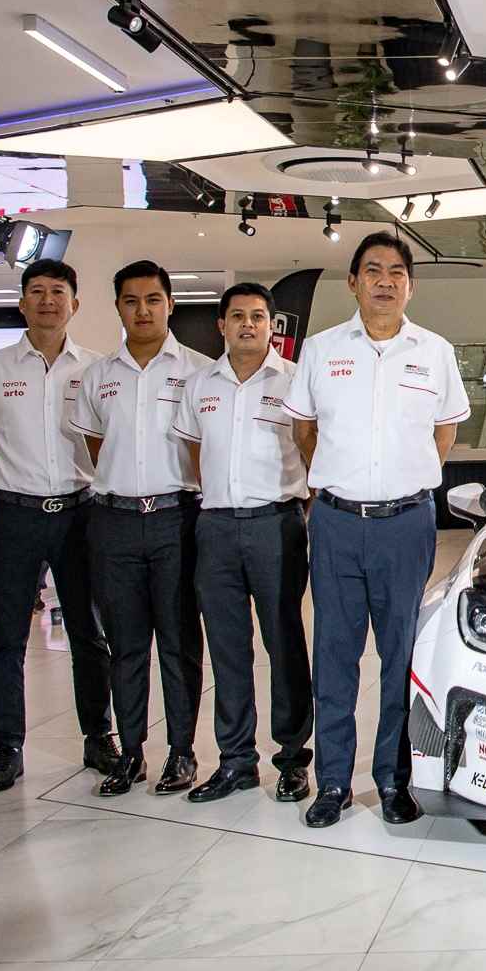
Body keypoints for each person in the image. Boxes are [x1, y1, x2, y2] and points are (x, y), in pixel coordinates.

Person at [286, 231, 469, 829]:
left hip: (405, 525)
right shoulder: (320, 350)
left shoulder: (435, 352)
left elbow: (445, 433)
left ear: (410, 285)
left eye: (396, 272)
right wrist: (337, 481)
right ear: (353, 282)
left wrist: (407, 479)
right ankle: (333, 782)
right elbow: (304, 430)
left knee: (401, 656)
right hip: (336, 522)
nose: (385, 281)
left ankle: (393, 779)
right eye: (373, 270)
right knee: (334, 654)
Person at [0, 259, 117, 793]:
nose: (48, 300)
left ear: (75, 303)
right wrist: (4, 481)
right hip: (14, 516)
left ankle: (99, 736)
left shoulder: (95, 369)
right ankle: (7, 747)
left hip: (79, 513)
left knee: (88, 633)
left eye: (58, 291)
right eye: (38, 291)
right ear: (22, 302)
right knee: (6, 637)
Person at [69, 260, 212, 798]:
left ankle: (181, 752)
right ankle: (130, 752)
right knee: (126, 645)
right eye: (131, 301)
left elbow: (204, 451)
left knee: (178, 642)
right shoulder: (98, 376)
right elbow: (97, 446)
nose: (143, 310)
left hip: (177, 519)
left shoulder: (199, 371)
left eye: (153, 300)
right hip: (115, 522)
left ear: (170, 304)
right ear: (118, 308)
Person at [173, 282, 314, 806]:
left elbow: (312, 449)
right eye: (237, 316)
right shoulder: (199, 384)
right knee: (227, 648)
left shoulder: (295, 381)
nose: (248, 324)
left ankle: (293, 759)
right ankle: (236, 761)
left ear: (272, 326)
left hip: (275, 525)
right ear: (222, 325)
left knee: (284, 643)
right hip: (214, 527)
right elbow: (194, 453)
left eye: (258, 316)